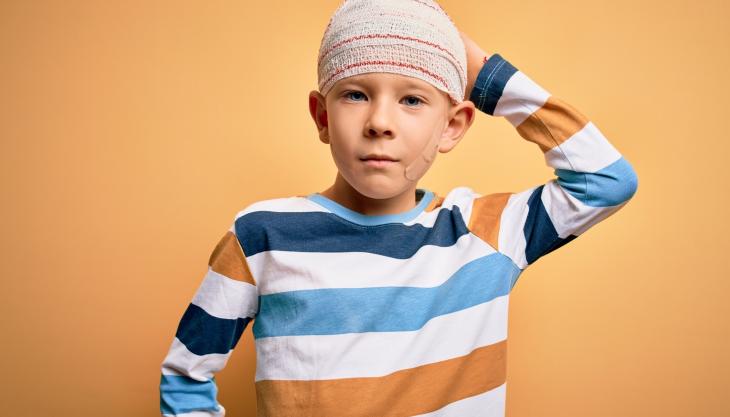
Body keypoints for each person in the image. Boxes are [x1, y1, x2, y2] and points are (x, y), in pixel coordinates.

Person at [158, 0, 639, 416]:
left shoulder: (484, 233)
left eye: (412, 99)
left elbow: (606, 181)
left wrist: (488, 76)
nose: (380, 122)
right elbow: (186, 374)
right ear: (322, 117)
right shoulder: (262, 235)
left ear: (452, 126)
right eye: (355, 95)